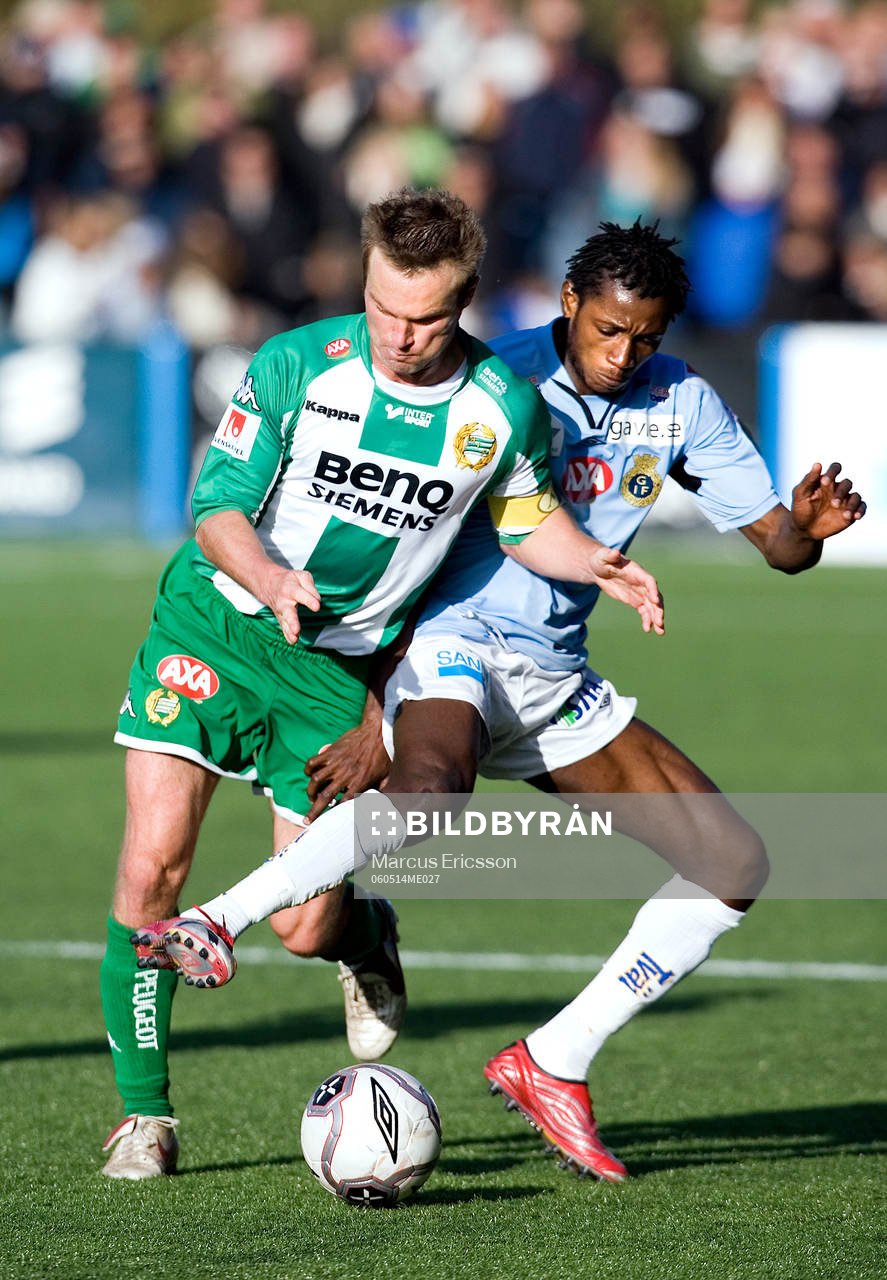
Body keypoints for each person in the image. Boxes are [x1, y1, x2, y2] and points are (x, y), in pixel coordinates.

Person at [135, 220, 864, 1184]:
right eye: (606, 330)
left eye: (643, 337)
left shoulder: (681, 402)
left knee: (733, 862)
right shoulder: (490, 379)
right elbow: (393, 551)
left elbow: (775, 540)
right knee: (433, 797)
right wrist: (371, 712)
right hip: (452, 647)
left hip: (555, 675)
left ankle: (552, 1060)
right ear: (567, 304)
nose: (621, 354)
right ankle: (216, 920)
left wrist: (805, 533)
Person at [102, 190, 664, 1180]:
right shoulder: (292, 366)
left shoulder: (500, 405)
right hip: (214, 627)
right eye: (383, 309)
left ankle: (365, 932)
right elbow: (216, 508)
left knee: (301, 923)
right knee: (152, 869)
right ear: (362, 284)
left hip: (337, 673)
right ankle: (145, 1117)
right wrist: (270, 575)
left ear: (468, 299)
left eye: (428, 317)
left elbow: (526, 519)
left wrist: (594, 564)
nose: (402, 337)